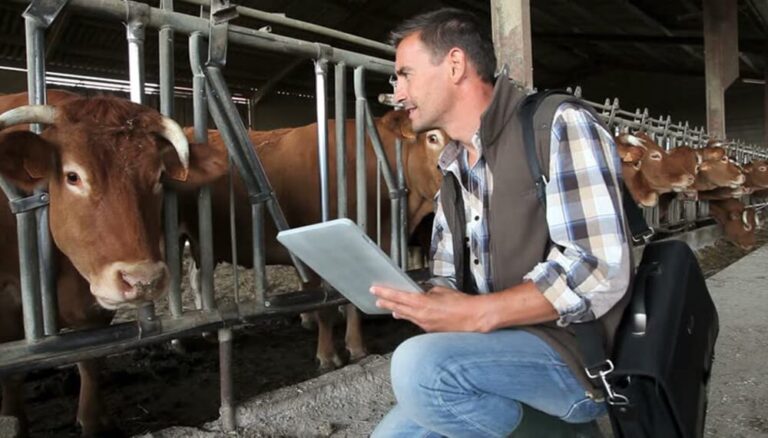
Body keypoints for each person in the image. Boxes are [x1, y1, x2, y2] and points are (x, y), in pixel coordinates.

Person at [370, 8, 632, 438]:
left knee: (420, 368)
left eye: (405, 74)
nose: (397, 93)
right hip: (500, 345)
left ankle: (569, 431)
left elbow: (598, 268)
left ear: (454, 65)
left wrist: (477, 314)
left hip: (574, 352)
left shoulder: (556, 125)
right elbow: (447, 278)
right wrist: (424, 302)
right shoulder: (452, 169)